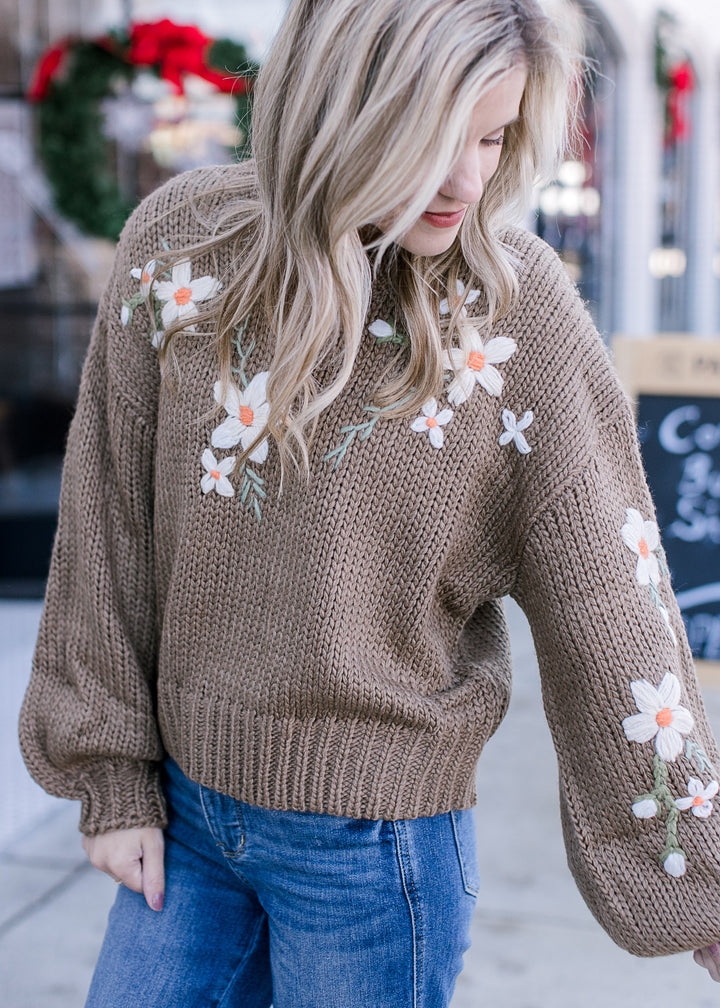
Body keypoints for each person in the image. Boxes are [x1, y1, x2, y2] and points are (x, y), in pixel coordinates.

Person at [18, 0, 720, 1003]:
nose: (470, 180)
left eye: (494, 136)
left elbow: (612, 607)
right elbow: (107, 525)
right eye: (438, 139)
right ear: (341, 108)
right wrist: (110, 777)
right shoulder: (180, 249)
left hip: (375, 853)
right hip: (183, 822)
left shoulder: (514, 313)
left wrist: (703, 888)